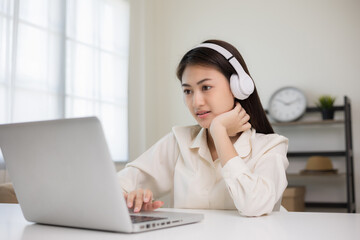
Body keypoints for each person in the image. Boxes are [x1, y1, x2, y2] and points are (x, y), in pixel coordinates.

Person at [117, 39, 289, 217]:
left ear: (238, 88)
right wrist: (131, 198)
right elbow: (115, 185)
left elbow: (254, 206)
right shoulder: (179, 141)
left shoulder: (271, 147)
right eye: (187, 91)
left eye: (206, 87)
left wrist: (219, 131)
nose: (196, 102)